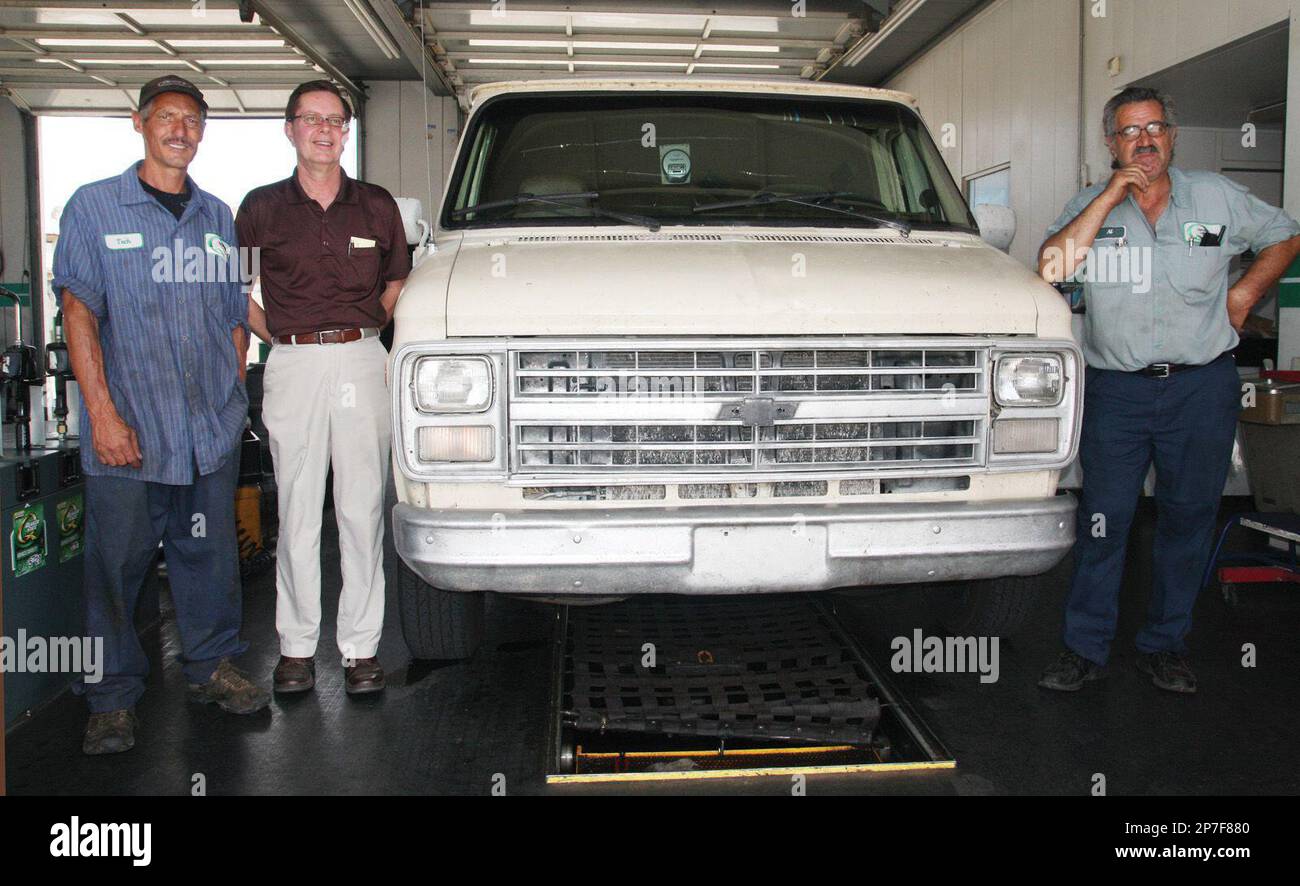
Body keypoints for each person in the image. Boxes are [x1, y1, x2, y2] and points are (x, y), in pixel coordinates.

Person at [1037, 86, 1300, 694]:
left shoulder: (1215, 197)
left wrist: (1244, 294)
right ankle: (1084, 648)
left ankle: (1165, 644)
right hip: (1118, 393)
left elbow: (1285, 234)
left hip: (1200, 390)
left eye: (1155, 128)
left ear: (1171, 136)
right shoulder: (1091, 209)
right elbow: (1051, 270)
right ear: (1111, 143)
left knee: (1187, 520)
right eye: (1130, 132)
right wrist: (1109, 195)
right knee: (1105, 519)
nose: (1145, 141)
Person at [52, 75, 269, 755]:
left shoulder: (216, 217)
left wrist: (233, 394)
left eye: (194, 121)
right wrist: (102, 414)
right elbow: (78, 312)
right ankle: (112, 698)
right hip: (130, 434)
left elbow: (235, 312)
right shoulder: (94, 208)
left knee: (208, 558)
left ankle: (211, 667)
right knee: (115, 568)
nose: (182, 130)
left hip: (206, 431)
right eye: (168, 118)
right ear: (141, 125)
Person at [235, 80, 410, 695]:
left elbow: (397, 281)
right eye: (312, 119)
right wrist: (277, 334)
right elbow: (238, 292)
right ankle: (296, 649)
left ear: (346, 132)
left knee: (362, 510)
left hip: (362, 361)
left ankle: (362, 650)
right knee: (300, 507)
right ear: (290, 128)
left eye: (336, 121)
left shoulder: (377, 205)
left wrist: (373, 328)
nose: (324, 130)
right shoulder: (259, 207)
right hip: (294, 365)